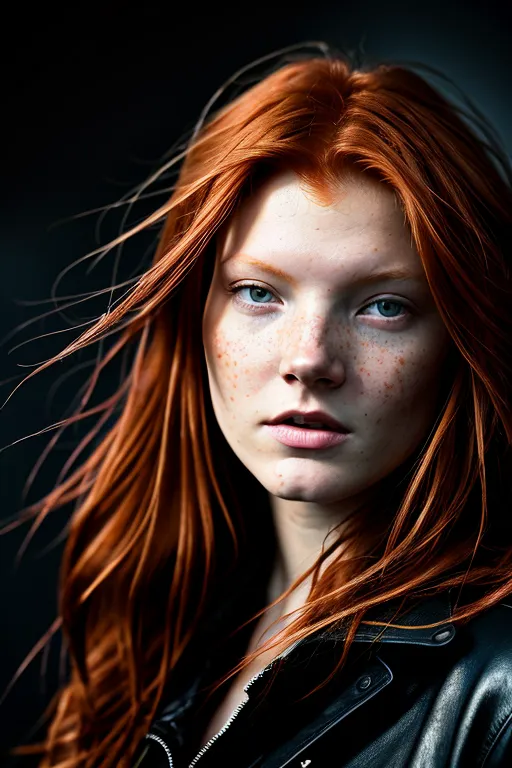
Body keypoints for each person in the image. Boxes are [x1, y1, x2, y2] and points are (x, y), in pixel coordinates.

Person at [5, 42, 512, 767]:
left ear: (462, 340)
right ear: (195, 319)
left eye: (384, 307)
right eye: (258, 293)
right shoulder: (164, 638)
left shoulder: (499, 695)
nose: (309, 359)